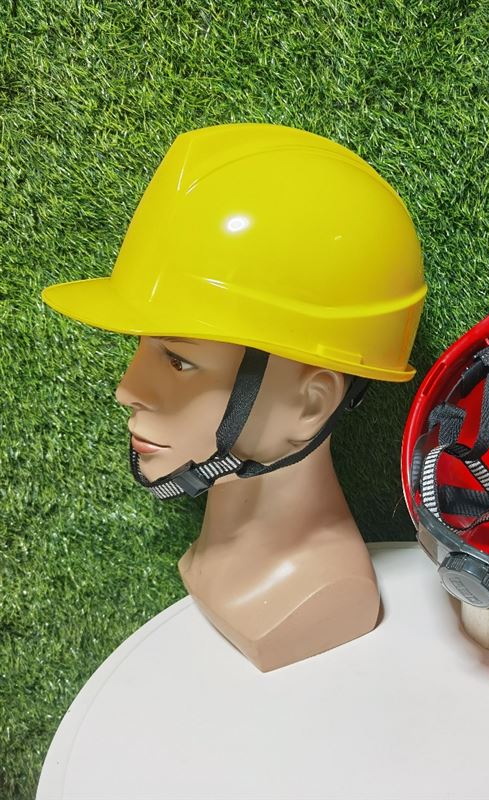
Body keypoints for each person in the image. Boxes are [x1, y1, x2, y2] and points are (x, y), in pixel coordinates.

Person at [43, 123, 427, 671]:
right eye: (143, 349)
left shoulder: (332, 594)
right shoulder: (209, 548)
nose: (127, 389)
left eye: (178, 361)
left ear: (311, 404)